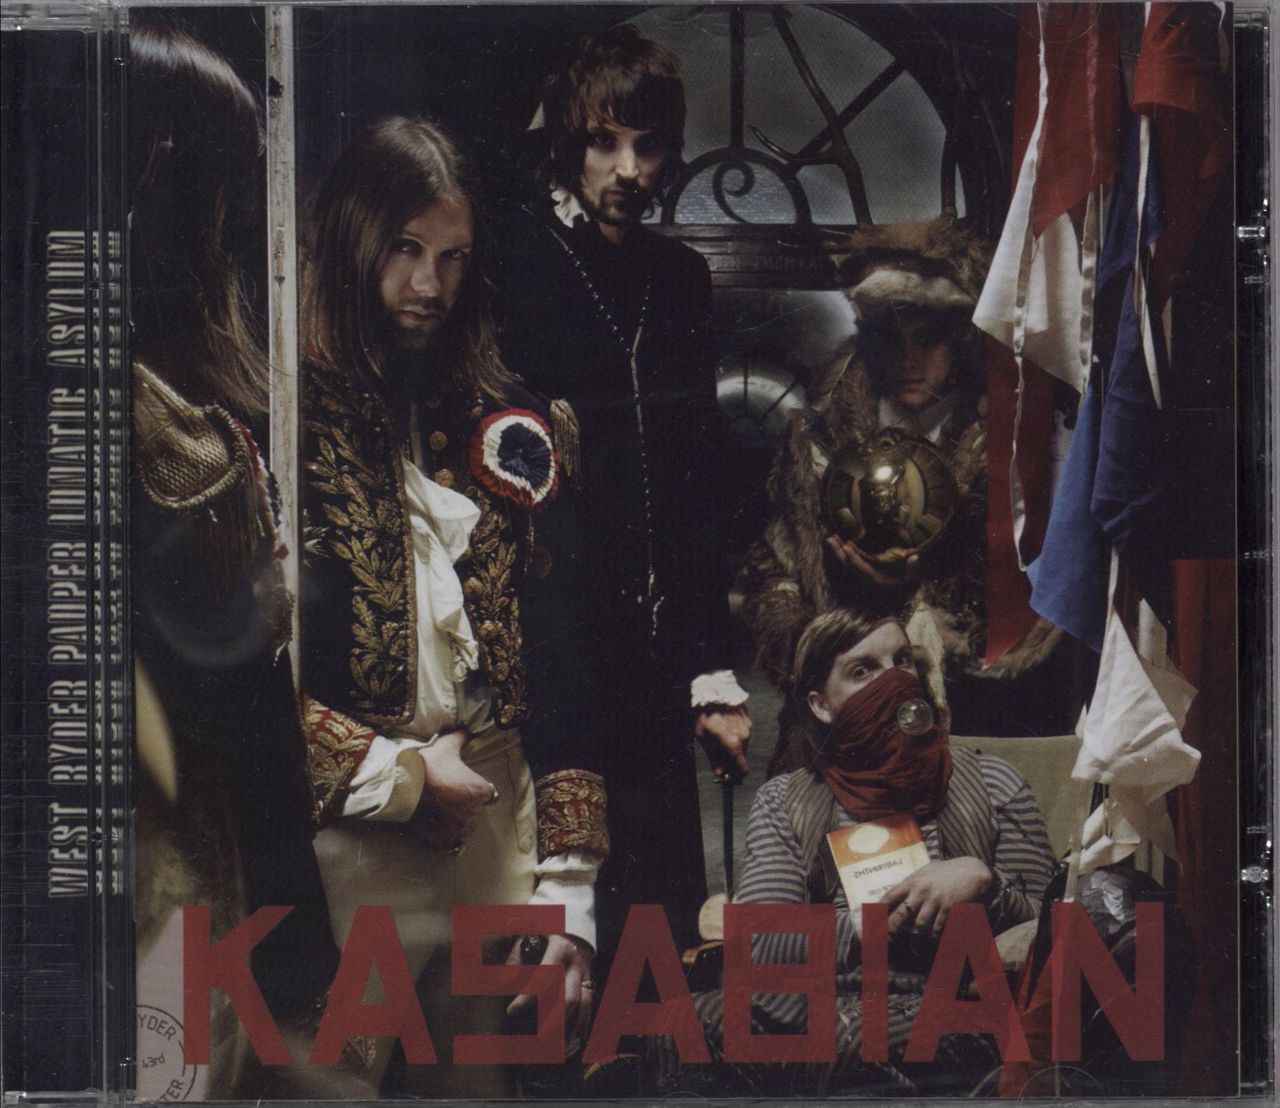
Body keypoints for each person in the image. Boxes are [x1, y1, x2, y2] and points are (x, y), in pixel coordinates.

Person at [299, 116, 606, 1096]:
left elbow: (563, 655)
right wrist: (389, 774)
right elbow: (239, 683)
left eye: (451, 257)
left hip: (498, 827)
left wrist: (571, 888)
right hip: (349, 841)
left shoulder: (508, 423)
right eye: (403, 249)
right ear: (350, 241)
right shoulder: (276, 421)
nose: (427, 285)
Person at [492, 24, 751, 957]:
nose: (628, 170)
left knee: (662, 935)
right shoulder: (517, 262)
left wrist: (709, 671)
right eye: (604, 142)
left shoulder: (679, 279)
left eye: (647, 146)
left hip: (657, 656)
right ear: (568, 142)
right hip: (553, 644)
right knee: (562, 929)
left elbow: (699, 487)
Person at [128, 17, 341, 1098]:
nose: (231, 221)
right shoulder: (141, 418)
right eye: (223, 183)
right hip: (153, 854)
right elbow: (235, 691)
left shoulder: (161, 388)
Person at [662, 608, 1054, 1097]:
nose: (894, 681)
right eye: (862, 670)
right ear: (821, 705)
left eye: (902, 661)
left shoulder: (993, 782)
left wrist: (984, 882)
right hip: (818, 1005)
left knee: (847, 1042)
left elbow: (1049, 930)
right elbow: (759, 942)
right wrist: (870, 926)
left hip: (954, 1003)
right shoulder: (787, 800)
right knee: (679, 1023)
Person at [738, 218, 1063, 775]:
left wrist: (930, 590)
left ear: (958, 340)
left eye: (926, 338)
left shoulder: (1009, 440)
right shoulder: (818, 438)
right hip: (844, 721)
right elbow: (774, 572)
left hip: (975, 715)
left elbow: (1040, 585)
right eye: (892, 338)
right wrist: (817, 641)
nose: (908, 359)